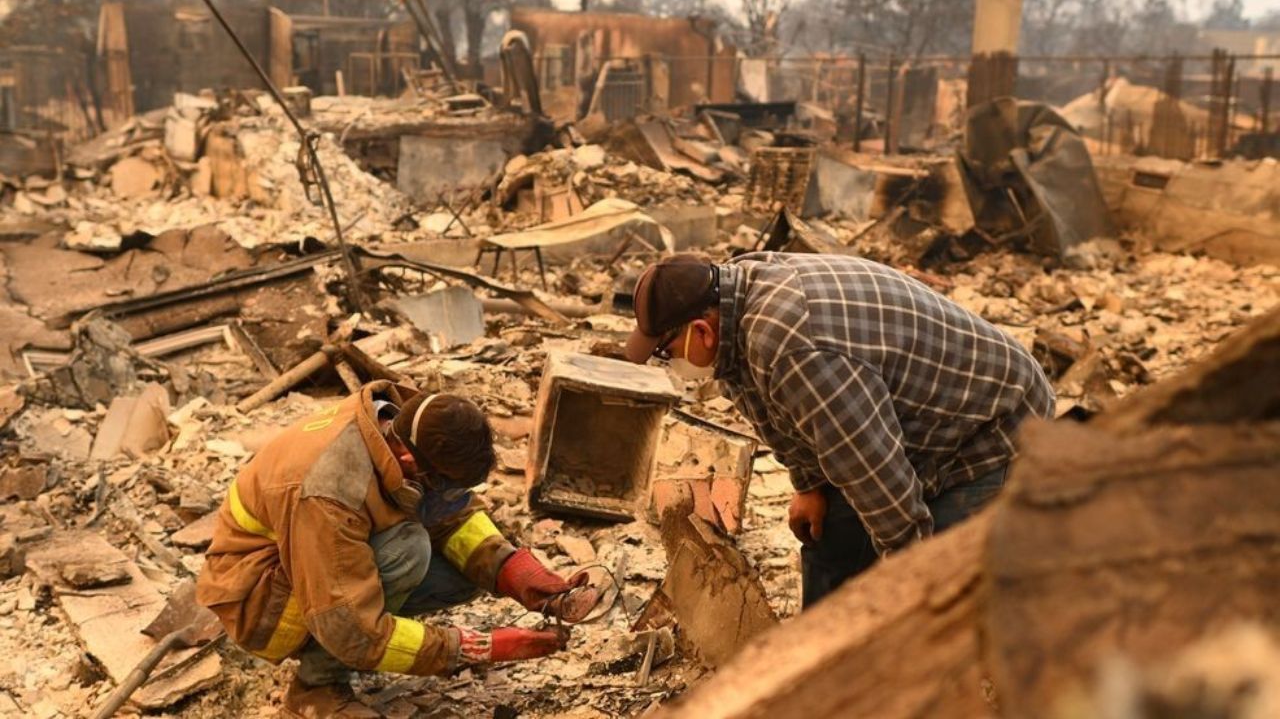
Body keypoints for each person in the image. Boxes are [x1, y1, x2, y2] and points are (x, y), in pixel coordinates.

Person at [624, 252, 1054, 606]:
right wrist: (809, 484)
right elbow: (768, 408)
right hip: (915, 421)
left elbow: (881, 479)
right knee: (830, 538)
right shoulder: (734, 306)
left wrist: (915, 583)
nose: (667, 363)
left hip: (993, 425)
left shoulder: (795, 349)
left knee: (938, 581)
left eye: (665, 352)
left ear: (701, 330)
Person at [196, 383, 597, 718]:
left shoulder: (408, 429)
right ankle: (313, 690)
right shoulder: (330, 491)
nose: (450, 496)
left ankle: (344, 657)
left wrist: (522, 577)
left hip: (317, 565)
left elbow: (452, 515)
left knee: (463, 574)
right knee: (408, 550)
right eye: (444, 485)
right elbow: (348, 628)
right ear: (407, 459)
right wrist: (478, 647)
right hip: (261, 599)